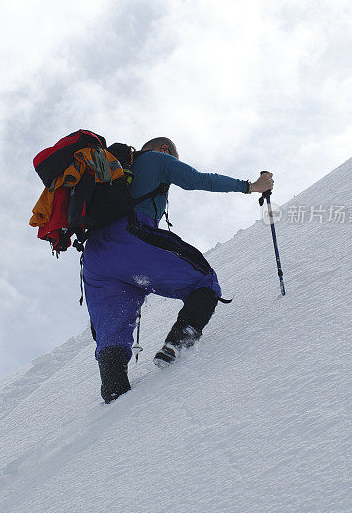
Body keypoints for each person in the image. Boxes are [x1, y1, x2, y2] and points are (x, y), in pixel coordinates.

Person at [82, 137, 273, 403]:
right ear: (164, 150)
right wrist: (251, 186)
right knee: (203, 281)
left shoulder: (112, 175)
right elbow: (198, 179)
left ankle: (115, 394)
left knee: (112, 332)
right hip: (130, 239)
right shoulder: (157, 159)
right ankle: (177, 343)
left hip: (94, 259)